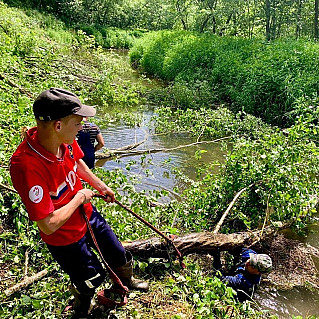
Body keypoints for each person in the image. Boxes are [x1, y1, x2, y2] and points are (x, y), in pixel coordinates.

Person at [9, 88, 149, 318]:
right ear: (58, 125)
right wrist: (79, 197)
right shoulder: (26, 166)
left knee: (116, 251)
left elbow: (79, 165)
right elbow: (47, 224)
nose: (82, 128)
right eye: (78, 123)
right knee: (91, 276)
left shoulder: (66, 141)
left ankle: (124, 282)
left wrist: (100, 186)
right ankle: (81, 308)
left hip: (86, 214)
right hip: (64, 235)